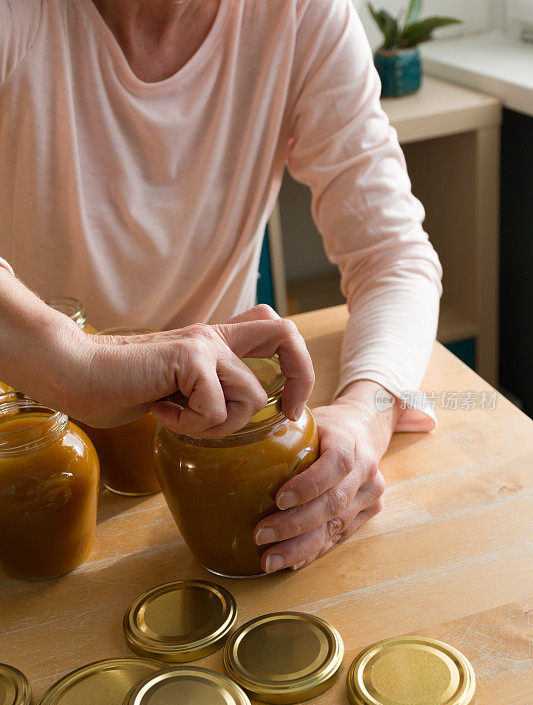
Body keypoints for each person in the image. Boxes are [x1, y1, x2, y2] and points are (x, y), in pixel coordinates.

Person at [0, 0, 442, 573]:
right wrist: (77, 363)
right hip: (26, 428)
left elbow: (393, 256)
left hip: (214, 430)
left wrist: (365, 414)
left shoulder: (303, 15)